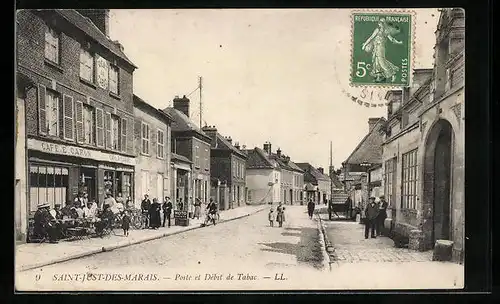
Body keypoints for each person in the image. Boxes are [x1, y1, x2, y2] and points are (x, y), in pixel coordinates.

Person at [361, 18, 403, 83]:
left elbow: (392, 39)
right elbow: (371, 38)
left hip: (381, 48)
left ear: (384, 24)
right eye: (380, 23)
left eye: (383, 23)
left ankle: (392, 74)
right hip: (376, 47)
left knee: (381, 61)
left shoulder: (386, 31)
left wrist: (398, 42)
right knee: (376, 61)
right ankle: (378, 77)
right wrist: (365, 45)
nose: (381, 24)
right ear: (379, 24)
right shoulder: (377, 30)